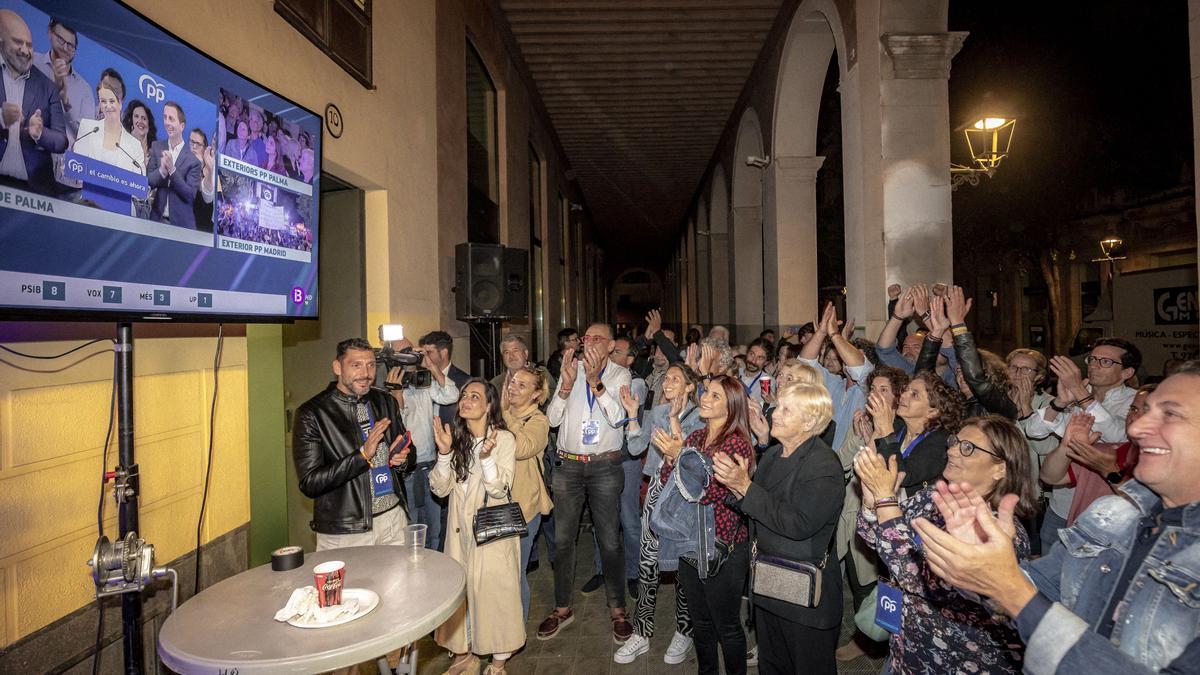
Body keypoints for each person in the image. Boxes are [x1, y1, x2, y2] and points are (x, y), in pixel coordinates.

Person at [913, 361, 1200, 673]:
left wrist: (1010, 589)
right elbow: (1043, 586)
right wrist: (980, 568)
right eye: (1145, 412)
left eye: (1169, 414)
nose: (1136, 428)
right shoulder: (1113, 515)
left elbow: (1022, 596)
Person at [855, 414, 1038, 673]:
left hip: (952, 662)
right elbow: (879, 539)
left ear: (1000, 468)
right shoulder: (934, 496)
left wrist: (886, 501)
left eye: (968, 448)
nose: (952, 450)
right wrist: (872, 503)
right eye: (955, 442)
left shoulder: (1001, 532)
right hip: (905, 647)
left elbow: (919, 579)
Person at [713, 382, 845, 675]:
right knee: (772, 665)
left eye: (786, 410)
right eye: (778, 407)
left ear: (810, 421)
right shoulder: (773, 455)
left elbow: (798, 524)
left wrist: (745, 486)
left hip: (805, 596)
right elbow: (759, 505)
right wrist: (734, 487)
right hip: (770, 583)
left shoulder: (824, 465)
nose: (775, 414)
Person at [536, 322, 634, 644]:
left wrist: (596, 384)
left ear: (609, 346)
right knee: (564, 541)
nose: (588, 342)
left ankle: (618, 609)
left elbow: (619, 418)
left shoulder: (621, 375)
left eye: (597, 338)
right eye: (586, 337)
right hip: (568, 467)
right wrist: (565, 387)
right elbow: (552, 421)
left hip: (604, 467)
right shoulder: (570, 369)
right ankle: (562, 608)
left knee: (610, 541)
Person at [652, 374, 754, 675]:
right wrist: (673, 460)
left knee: (727, 626)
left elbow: (711, 491)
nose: (704, 399)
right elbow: (670, 484)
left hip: (723, 546)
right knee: (701, 623)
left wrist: (679, 456)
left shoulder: (738, 444)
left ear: (731, 407)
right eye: (705, 392)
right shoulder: (696, 438)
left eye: (714, 396)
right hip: (691, 542)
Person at [430, 380, 524, 675]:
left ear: (489, 406)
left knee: (497, 596)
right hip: (459, 534)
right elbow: (440, 489)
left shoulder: (504, 440)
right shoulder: (455, 439)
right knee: (463, 594)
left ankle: (497, 664)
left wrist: (486, 460)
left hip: (491, 534)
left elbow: (500, 489)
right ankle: (466, 654)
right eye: (464, 396)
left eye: (475, 396)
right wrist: (444, 454)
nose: (467, 400)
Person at [614, 363, 703, 665]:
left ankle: (684, 630)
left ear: (690, 387)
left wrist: (676, 422)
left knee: (681, 567)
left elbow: (691, 464)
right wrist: (632, 415)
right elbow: (637, 447)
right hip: (655, 494)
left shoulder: (700, 418)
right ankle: (641, 632)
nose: (668, 383)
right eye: (667, 378)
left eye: (676, 379)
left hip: (682, 499)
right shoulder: (657, 412)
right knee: (648, 564)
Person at [291, 338, 416, 550]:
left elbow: (409, 454)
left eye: (370, 365)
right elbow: (310, 482)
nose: (365, 373)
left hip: (393, 520)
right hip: (347, 531)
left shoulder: (385, 401)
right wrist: (362, 456)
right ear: (337, 367)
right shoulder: (313, 413)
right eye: (355, 365)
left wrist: (402, 458)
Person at [833, 365, 910, 661]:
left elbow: (894, 479)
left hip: (885, 523)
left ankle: (877, 643)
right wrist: (858, 436)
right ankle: (867, 637)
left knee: (876, 584)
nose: (874, 396)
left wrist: (873, 438)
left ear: (897, 398)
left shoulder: (901, 431)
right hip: (854, 517)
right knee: (857, 580)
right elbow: (840, 462)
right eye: (872, 389)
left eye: (883, 390)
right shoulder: (866, 424)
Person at [1039, 385, 1152, 524]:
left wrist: (1110, 472)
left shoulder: (1172, 465)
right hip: (1079, 542)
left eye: (1146, 411)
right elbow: (1050, 477)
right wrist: (1067, 445)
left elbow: (1152, 511)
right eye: (1134, 409)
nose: (1134, 417)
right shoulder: (1104, 451)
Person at [388, 338, 458, 553]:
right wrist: (396, 396)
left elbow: (451, 395)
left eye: (412, 351)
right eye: (404, 352)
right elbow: (395, 429)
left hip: (430, 465)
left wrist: (432, 365)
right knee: (410, 530)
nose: (410, 355)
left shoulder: (423, 380)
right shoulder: (386, 386)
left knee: (434, 529)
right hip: (405, 470)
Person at [499, 364, 552, 622]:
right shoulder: (498, 415)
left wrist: (504, 414)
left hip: (523, 507)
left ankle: (515, 630)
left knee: (515, 572)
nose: (513, 388)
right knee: (498, 573)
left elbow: (521, 448)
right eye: (513, 382)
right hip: (495, 506)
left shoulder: (539, 421)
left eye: (522, 385)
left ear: (536, 394)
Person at [0, 9, 67, 195]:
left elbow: (61, 141)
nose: (25, 50)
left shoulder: (47, 86)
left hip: (36, 192)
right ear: (1, 41)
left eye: (29, 45)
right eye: (18, 42)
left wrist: (39, 133)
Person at [1024, 337, 1141, 443]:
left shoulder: (1136, 401)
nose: (1094, 366)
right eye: (1092, 359)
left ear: (1127, 372)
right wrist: (1059, 403)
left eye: (1106, 362)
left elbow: (1118, 436)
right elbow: (1033, 431)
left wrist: (1080, 392)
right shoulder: (1076, 395)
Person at [865, 370, 966, 490]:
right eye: (906, 390)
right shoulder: (898, 426)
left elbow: (904, 475)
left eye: (914, 394)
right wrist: (879, 427)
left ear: (932, 412)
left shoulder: (941, 441)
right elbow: (866, 466)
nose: (903, 396)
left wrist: (886, 429)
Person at [32, 17, 94, 196]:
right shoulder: (31, 63)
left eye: (71, 45)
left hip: (67, 179)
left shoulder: (84, 89)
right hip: (28, 162)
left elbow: (87, 136)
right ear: (50, 33)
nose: (65, 48)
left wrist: (66, 101)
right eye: (61, 40)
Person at [147, 101, 202, 229]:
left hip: (181, 227)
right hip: (156, 221)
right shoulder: (157, 146)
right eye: (165, 117)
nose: (167, 122)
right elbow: (149, 181)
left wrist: (172, 170)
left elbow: (190, 195)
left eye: (171, 119)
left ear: (182, 126)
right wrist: (162, 170)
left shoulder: (193, 161)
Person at [72, 83, 143, 174]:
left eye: (112, 101)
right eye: (103, 101)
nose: (108, 106)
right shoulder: (87, 128)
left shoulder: (135, 146)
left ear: (120, 104)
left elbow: (139, 181)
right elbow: (75, 165)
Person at [419, 330, 472, 426]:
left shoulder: (465, 382)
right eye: (423, 354)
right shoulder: (419, 378)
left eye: (429, 353)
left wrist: (433, 368)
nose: (424, 357)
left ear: (444, 353)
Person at [189, 129, 216, 231]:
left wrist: (208, 171)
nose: (194, 147)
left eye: (198, 144)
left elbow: (208, 197)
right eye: (191, 142)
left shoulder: (209, 170)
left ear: (205, 148)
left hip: (202, 231)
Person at [739, 337, 773, 405]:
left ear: (766, 362)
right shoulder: (735, 372)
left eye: (760, 358)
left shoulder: (768, 382)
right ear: (747, 353)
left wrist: (771, 403)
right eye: (752, 354)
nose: (753, 361)